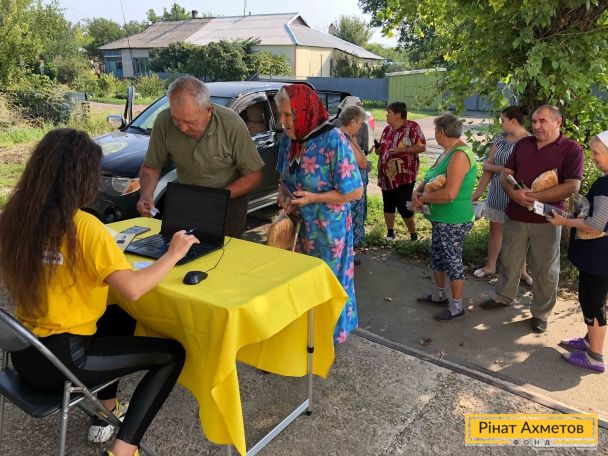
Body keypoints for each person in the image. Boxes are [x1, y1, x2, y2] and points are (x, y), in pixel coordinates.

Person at [0, 129, 197, 456]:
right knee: (172, 354)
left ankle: (106, 406)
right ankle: (123, 450)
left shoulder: (15, 218)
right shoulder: (84, 227)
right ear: (82, 178)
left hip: (24, 353)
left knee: (119, 315)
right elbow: (133, 289)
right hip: (63, 362)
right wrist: (174, 253)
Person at [480, 105, 584, 334]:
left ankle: (541, 313)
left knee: (545, 269)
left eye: (542, 121)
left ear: (557, 122)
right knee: (509, 260)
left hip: (548, 219)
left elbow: (572, 186)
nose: (536, 126)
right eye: (534, 121)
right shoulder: (523, 144)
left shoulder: (571, 149)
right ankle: (503, 297)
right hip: (515, 214)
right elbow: (506, 174)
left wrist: (535, 197)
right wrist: (514, 194)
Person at [276, 84, 363, 343]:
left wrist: (314, 198)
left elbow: (355, 192)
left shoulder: (333, 139)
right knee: (296, 281)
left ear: (304, 112)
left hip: (327, 230)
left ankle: (327, 339)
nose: (282, 121)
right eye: (281, 114)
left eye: (288, 115)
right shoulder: (289, 139)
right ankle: (303, 335)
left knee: (326, 284)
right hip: (297, 227)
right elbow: (283, 177)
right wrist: (284, 197)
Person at [136, 75, 264, 237]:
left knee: (222, 251)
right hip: (188, 202)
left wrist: (215, 199)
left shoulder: (232, 124)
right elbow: (151, 167)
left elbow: (254, 176)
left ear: (208, 110)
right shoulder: (163, 121)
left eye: (190, 122)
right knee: (182, 246)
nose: (182, 128)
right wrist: (146, 195)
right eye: (177, 120)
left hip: (228, 204)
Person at [549, 131, 608, 372]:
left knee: (593, 302)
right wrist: (568, 216)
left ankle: (595, 356)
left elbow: (597, 224)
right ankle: (589, 340)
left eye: (596, 153)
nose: (592, 157)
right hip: (599, 257)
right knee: (593, 299)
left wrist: (565, 222)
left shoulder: (606, 184)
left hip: (598, 258)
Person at [413, 113, 477, 321]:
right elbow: (432, 178)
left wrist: (423, 198)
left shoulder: (459, 155)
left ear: (441, 132)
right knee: (438, 256)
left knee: (452, 260)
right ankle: (439, 295)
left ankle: (457, 306)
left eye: (435, 131)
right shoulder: (448, 151)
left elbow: (450, 194)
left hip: (454, 218)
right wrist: (418, 191)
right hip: (441, 217)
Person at [472, 106, 533, 285]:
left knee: (520, 234)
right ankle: (490, 266)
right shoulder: (500, 138)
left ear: (513, 121)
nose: (500, 124)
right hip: (497, 192)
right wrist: (478, 192)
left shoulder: (529, 141)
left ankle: (522, 271)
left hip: (516, 193)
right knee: (495, 229)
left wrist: (493, 167)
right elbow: (487, 167)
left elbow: (520, 170)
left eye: (503, 120)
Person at [375, 101, 426, 241]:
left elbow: (422, 147)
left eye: (389, 113)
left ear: (398, 115)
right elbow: (380, 151)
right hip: (386, 175)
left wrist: (401, 150)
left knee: (404, 206)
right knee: (388, 204)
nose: (386, 115)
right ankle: (390, 233)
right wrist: (378, 149)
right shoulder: (387, 129)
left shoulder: (412, 127)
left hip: (405, 176)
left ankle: (413, 235)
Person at [337, 105, 370, 262]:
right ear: (353, 122)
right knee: (348, 223)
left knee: (351, 222)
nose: (361, 126)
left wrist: (354, 140)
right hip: (349, 191)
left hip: (352, 190)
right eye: (360, 123)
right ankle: (347, 256)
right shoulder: (343, 138)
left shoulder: (348, 137)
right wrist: (354, 142)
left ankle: (348, 254)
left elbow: (363, 159)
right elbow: (363, 162)